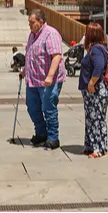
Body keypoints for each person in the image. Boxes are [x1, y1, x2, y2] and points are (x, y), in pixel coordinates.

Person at [22, 10, 66, 150]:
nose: (30, 25)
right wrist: (24, 70)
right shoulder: (32, 35)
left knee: (48, 108)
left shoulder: (50, 34)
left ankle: (53, 137)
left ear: (40, 22)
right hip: (33, 79)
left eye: (32, 22)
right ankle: (41, 133)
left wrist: (50, 76)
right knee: (32, 107)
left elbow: (57, 56)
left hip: (48, 81)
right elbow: (30, 53)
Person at [79, 22, 108, 158]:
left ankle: (97, 148)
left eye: (87, 32)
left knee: (95, 118)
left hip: (96, 90)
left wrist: (91, 83)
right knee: (94, 118)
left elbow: (99, 67)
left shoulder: (96, 49)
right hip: (96, 90)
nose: (85, 35)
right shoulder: (99, 48)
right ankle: (93, 145)